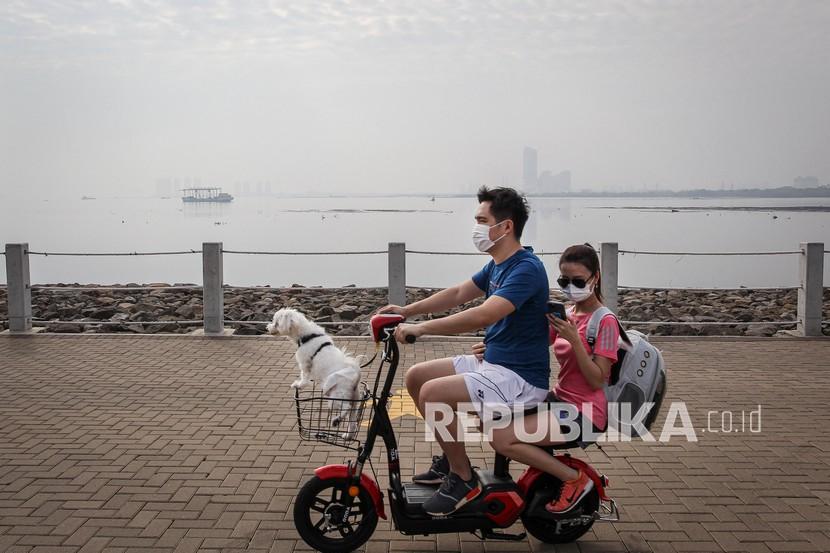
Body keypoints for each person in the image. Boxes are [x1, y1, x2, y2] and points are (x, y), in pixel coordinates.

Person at [377, 186, 550, 516]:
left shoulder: (526, 268)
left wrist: (423, 328)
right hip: (496, 365)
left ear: (506, 227)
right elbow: (458, 293)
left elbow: (485, 314)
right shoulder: (498, 264)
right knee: (417, 377)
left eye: (482, 219)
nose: (476, 227)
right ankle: (450, 460)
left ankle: (463, 477)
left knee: (432, 393)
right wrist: (405, 312)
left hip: (521, 378)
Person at [482, 243, 620, 513]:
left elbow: (597, 379)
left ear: (596, 278)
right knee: (490, 415)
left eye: (578, 281)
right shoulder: (567, 314)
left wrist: (575, 341)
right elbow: (532, 344)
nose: (570, 286)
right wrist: (490, 348)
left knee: (502, 438)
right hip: (558, 400)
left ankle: (574, 480)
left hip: (585, 414)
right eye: (564, 280)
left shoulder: (606, 322)